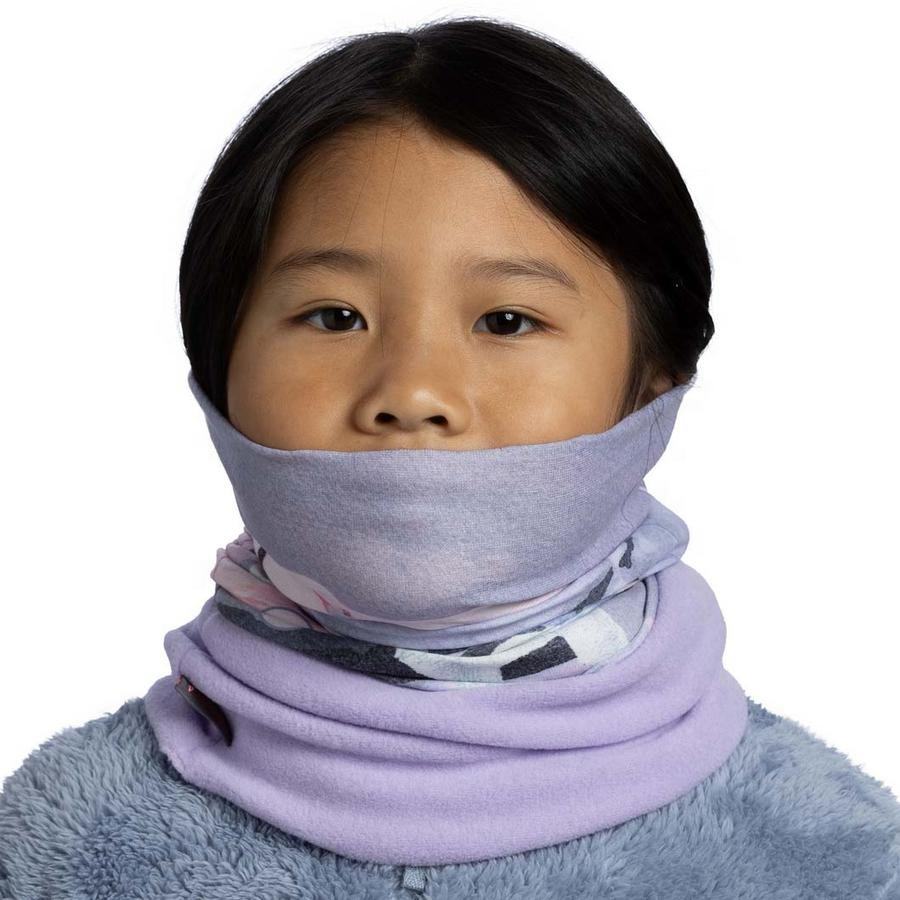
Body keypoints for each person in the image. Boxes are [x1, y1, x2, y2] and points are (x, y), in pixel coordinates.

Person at [2, 16, 898, 899]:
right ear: (216, 369)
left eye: (507, 321)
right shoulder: (54, 844)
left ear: (656, 380)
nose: (413, 392)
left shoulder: (840, 858)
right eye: (335, 316)